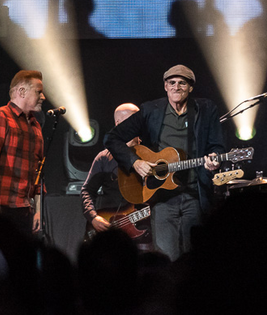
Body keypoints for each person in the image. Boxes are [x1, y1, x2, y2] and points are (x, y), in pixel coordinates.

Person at [103, 65, 225, 262]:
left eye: (182, 83)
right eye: (172, 83)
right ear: (165, 86)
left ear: (190, 88)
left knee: (193, 259)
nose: (176, 87)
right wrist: (135, 162)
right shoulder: (151, 110)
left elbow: (217, 147)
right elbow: (112, 138)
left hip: (194, 195)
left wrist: (214, 161)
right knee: (167, 260)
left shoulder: (205, 109)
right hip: (161, 199)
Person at [0, 70, 45, 236]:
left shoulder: (35, 127)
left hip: (23, 209)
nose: (43, 97)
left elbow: (39, 173)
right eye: (38, 92)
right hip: (0, 205)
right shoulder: (0, 116)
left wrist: (38, 210)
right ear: (21, 91)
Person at [81, 103, 150, 250]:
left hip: (146, 226)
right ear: (118, 123)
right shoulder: (104, 158)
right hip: (113, 228)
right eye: (133, 119)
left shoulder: (152, 152)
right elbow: (87, 190)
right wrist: (93, 217)